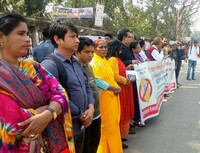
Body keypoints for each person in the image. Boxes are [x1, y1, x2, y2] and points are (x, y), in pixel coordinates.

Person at [0, 13, 75, 153]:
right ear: (1, 37)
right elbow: (14, 122)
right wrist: (50, 108)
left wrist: (48, 113)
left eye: (27, 34)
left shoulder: (33, 67)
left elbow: (61, 94)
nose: (27, 39)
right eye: (21, 33)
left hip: (48, 145)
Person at [41, 21, 94, 153]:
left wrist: (91, 107)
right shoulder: (50, 65)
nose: (77, 41)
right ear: (57, 39)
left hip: (81, 124)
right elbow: (55, 96)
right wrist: (80, 113)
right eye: (72, 37)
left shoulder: (76, 62)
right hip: (65, 128)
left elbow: (86, 86)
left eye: (77, 36)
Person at [90, 39, 123, 153]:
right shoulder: (94, 62)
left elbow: (110, 78)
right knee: (105, 129)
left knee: (113, 126)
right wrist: (114, 88)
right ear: (94, 48)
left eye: (105, 47)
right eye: (100, 47)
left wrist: (116, 88)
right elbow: (98, 81)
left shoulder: (104, 60)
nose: (104, 49)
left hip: (111, 98)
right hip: (103, 100)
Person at [106, 39, 135, 149]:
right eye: (120, 48)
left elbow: (118, 72)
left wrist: (126, 69)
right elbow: (115, 76)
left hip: (123, 87)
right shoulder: (113, 59)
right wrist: (126, 81)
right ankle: (117, 138)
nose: (122, 50)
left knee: (122, 111)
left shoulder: (116, 59)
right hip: (119, 88)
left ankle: (119, 137)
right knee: (120, 113)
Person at [75, 37, 101, 153]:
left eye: (92, 52)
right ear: (77, 51)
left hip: (96, 113)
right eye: (86, 52)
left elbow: (94, 84)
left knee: (94, 143)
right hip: (85, 116)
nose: (90, 55)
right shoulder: (75, 68)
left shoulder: (89, 67)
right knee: (85, 147)